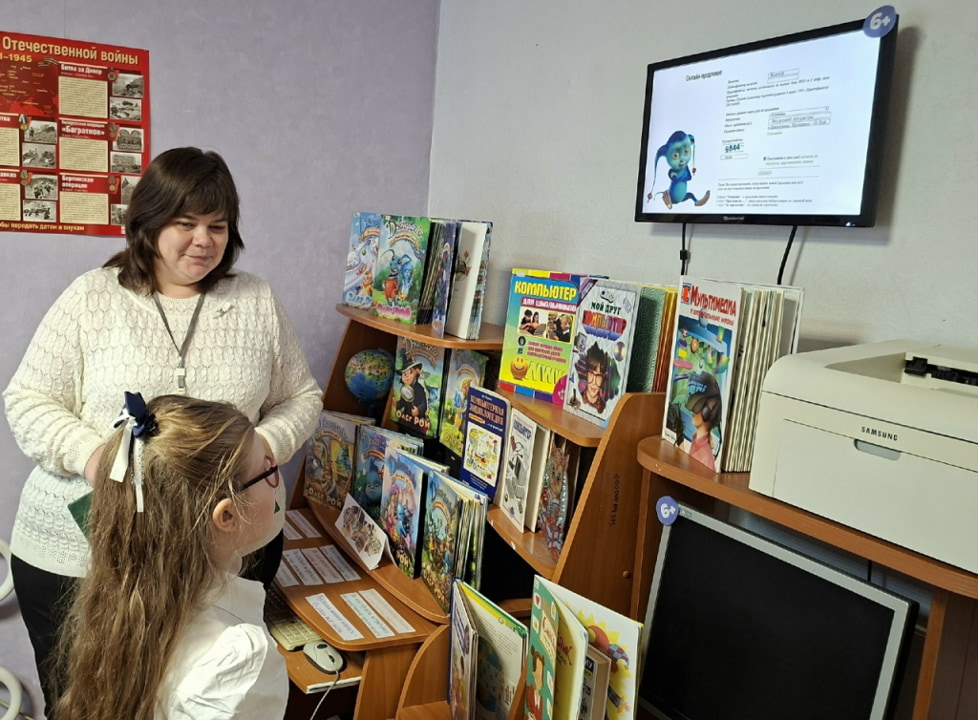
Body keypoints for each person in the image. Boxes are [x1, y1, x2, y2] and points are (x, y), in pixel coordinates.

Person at [2, 146, 321, 716]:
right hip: (79, 555)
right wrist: (96, 458)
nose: (203, 241)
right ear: (147, 224)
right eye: (185, 223)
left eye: (217, 226)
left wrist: (260, 447)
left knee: (196, 696)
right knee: (81, 703)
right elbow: (26, 399)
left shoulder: (255, 301)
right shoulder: (92, 296)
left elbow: (302, 397)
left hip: (223, 547)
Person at [52, 393, 288, 720]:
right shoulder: (239, 661)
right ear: (227, 516)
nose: (277, 480)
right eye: (267, 470)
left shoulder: (119, 604)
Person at [684, 371, 722, 471]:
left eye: (697, 408)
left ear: (708, 411)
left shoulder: (706, 458)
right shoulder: (695, 442)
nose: (693, 412)